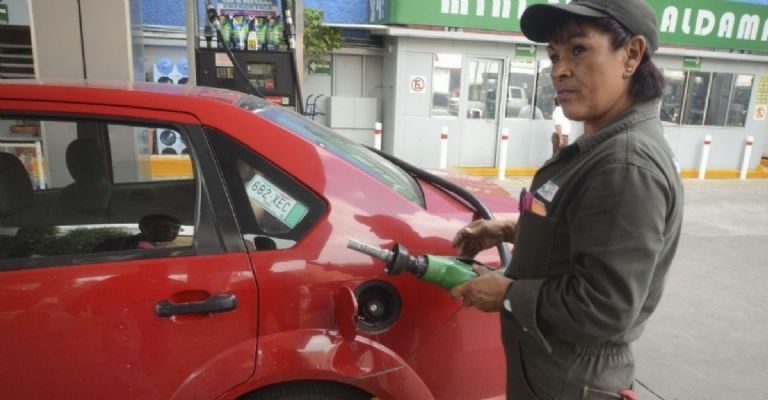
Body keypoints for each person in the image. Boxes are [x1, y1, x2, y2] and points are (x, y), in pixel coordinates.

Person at [449, 1, 684, 399]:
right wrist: (509, 230)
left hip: (571, 381)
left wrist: (506, 293)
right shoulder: (601, 146)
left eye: (578, 50)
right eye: (555, 55)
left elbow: (605, 306)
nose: (559, 69)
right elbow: (584, 233)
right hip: (554, 372)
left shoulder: (625, 164)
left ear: (632, 54)